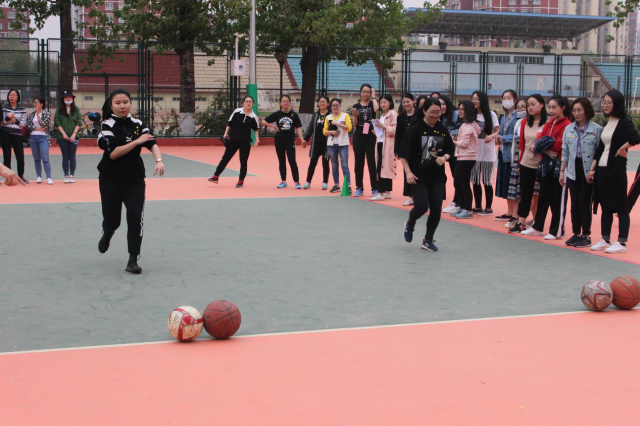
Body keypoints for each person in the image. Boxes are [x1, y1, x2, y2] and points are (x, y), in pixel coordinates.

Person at [97, 88, 165, 274]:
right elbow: (113, 154)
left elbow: (151, 142)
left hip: (134, 179)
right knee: (113, 220)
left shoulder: (138, 124)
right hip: (110, 180)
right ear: (111, 105)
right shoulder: (106, 126)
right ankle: (108, 232)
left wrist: (159, 160)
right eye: (118, 103)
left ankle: (133, 259)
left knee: (135, 217)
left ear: (130, 103)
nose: (122, 106)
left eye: (125, 102)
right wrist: (136, 142)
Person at [400, 98, 455, 252]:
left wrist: (445, 157)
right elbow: (403, 153)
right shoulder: (415, 129)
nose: (435, 115)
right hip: (418, 175)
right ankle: (410, 223)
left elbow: (450, 149)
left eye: (438, 112)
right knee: (422, 206)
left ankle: (428, 240)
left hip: (437, 176)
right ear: (424, 111)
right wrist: (408, 172)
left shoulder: (442, 129)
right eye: (432, 112)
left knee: (436, 209)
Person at [589, 89, 639, 254]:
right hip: (602, 169)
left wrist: (622, 149)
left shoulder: (624, 123)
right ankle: (605, 239)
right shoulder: (607, 123)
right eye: (604, 102)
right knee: (605, 205)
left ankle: (621, 242)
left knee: (621, 206)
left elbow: (635, 138)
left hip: (616, 170)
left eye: (609, 103)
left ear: (616, 104)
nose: (605, 105)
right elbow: (600, 149)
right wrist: (592, 169)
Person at [521, 95, 572, 240]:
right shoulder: (550, 123)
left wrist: (544, 144)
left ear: (563, 108)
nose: (551, 110)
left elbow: (559, 144)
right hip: (546, 164)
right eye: (550, 107)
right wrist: (545, 145)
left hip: (559, 166)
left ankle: (557, 230)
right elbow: (541, 139)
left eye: (554, 107)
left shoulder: (567, 125)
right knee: (543, 196)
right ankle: (538, 227)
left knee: (557, 199)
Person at [560, 98, 602, 249]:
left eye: (579, 110)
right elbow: (565, 151)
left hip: (588, 170)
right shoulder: (569, 129)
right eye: (574, 110)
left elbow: (599, 152)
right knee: (574, 204)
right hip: (573, 169)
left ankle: (586, 235)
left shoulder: (597, 129)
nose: (576, 113)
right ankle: (576, 233)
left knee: (584, 202)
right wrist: (562, 171)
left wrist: (593, 170)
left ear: (587, 111)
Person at [509, 94, 548, 234]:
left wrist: (538, 146)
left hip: (542, 163)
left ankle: (539, 223)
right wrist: (520, 163)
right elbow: (522, 145)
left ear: (542, 105)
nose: (530, 107)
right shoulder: (525, 122)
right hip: (526, 162)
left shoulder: (548, 123)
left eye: (533, 104)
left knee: (543, 195)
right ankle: (521, 222)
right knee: (525, 194)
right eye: (528, 105)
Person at [208, 96, 260, 188]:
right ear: (243, 103)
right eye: (246, 101)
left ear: (253, 104)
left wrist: (257, 139)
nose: (248, 103)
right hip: (233, 139)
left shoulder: (254, 117)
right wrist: (225, 133)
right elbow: (229, 123)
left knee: (243, 161)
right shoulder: (237, 111)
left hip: (245, 141)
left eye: (250, 101)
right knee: (225, 158)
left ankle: (241, 180)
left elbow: (256, 129)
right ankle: (215, 176)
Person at [263, 95, 305, 189]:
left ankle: (297, 182)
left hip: (290, 141)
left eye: (287, 101)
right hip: (279, 141)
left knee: (292, 160)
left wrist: (302, 139)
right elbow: (264, 122)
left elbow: (298, 128)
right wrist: (274, 126)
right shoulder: (277, 114)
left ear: (290, 103)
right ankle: (283, 181)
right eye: (284, 101)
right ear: (280, 103)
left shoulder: (294, 115)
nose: (285, 103)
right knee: (282, 161)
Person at [451, 100, 481, 219]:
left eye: (462, 109)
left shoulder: (469, 126)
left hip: (466, 157)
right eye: (459, 109)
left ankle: (468, 210)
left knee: (463, 184)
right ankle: (462, 206)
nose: (460, 111)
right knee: (458, 183)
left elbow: (464, 143)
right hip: (463, 157)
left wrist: (453, 141)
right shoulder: (467, 125)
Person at [470, 91, 499, 215]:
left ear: (483, 100)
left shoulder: (491, 115)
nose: (474, 101)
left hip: (487, 154)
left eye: (477, 98)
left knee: (486, 181)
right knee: (475, 180)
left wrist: (491, 136)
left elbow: (497, 131)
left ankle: (488, 207)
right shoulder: (471, 115)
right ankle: (477, 206)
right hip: (474, 154)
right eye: (473, 99)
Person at [495, 90, 520, 221]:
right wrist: (497, 137)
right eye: (504, 98)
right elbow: (500, 131)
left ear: (514, 100)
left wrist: (504, 138)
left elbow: (518, 135)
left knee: (513, 183)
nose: (506, 100)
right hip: (502, 153)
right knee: (505, 182)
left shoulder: (518, 117)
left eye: (508, 98)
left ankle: (516, 213)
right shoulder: (503, 116)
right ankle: (509, 211)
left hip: (512, 153)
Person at [351, 84, 379, 197]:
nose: (366, 94)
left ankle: (375, 188)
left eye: (368, 92)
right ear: (360, 92)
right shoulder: (356, 106)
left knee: (372, 162)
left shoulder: (373, 104)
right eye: (364, 91)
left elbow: (377, 109)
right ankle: (359, 187)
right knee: (359, 163)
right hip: (359, 136)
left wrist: (374, 96)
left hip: (371, 136)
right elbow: (355, 124)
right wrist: (354, 116)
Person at [505, 99, 529, 229]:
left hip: (529, 157)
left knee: (530, 191)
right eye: (518, 107)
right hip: (517, 157)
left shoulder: (532, 123)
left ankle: (531, 219)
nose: (520, 110)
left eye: (523, 107)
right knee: (515, 189)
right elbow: (515, 142)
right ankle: (515, 215)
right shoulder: (518, 122)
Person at [371, 94, 398, 201]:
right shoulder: (382, 115)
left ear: (390, 103)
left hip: (387, 144)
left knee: (382, 167)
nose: (382, 104)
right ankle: (387, 191)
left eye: (385, 102)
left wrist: (384, 127)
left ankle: (380, 192)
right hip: (380, 142)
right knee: (384, 167)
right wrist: (377, 131)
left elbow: (396, 129)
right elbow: (384, 129)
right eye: (381, 102)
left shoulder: (393, 114)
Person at [324, 98, 352, 194]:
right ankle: (336, 184)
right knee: (334, 165)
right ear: (330, 107)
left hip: (343, 144)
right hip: (331, 144)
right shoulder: (328, 117)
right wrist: (332, 132)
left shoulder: (345, 116)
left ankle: (348, 185)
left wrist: (337, 123)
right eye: (333, 105)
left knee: (345, 165)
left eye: (337, 105)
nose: (335, 107)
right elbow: (324, 131)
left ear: (340, 106)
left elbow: (349, 128)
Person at [54, 90, 82, 183]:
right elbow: (56, 121)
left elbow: (79, 122)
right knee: (65, 156)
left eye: (70, 97)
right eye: (66, 97)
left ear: (73, 99)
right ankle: (66, 175)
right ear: (63, 99)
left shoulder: (76, 109)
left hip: (74, 137)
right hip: (62, 137)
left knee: (72, 156)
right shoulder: (59, 109)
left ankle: (72, 175)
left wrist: (74, 134)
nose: (68, 99)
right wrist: (64, 134)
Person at [303, 96, 330, 190]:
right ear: (318, 103)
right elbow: (310, 128)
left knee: (325, 163)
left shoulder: (330, 115)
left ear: (328, 103)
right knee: (312, 162)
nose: (322, 103)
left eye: (324, 101)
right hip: (316, 143)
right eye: (320, 101)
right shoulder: (315, 115)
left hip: (327, 143)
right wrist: (306, 139)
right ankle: (308, 181)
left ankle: (325, 182)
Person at [1, 89, 28, 183]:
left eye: (14, 95)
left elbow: (23, 124)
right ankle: (8, 177)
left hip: (17, 134)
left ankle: (21, 176)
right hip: (5, 133)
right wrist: (8, 118)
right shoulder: (4, 108)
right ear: (8, 97)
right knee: (7, 156)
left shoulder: (22, 109)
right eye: (10, 95)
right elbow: (2, 122)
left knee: (20, 156)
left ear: (18, 97)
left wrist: (15, 121)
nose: (12, 96)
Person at [395, 93, 415, 206]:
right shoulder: (400, 117)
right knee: (407, 171)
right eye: (404, 102)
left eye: (408, 101)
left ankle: (419, 195)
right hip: (405, 148)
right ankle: (411, 196)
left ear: (413, 101)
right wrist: (397, 150)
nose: (406, 104)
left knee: (417, 171)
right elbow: (398, 134)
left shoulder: (419, 115)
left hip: (417, 147)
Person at [28, 98, 53, 184]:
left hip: (43, 137)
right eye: (34, 102)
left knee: (45, 158)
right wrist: (38, 128)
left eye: (37, 102)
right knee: (36, 158)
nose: (35, 104)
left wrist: (39, 118)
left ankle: (49, 177)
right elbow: (29, 126)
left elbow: (44, 124)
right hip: (33, 137)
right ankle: (38, 176)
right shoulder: (31, 114)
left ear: (42, 104)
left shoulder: (46, 113)